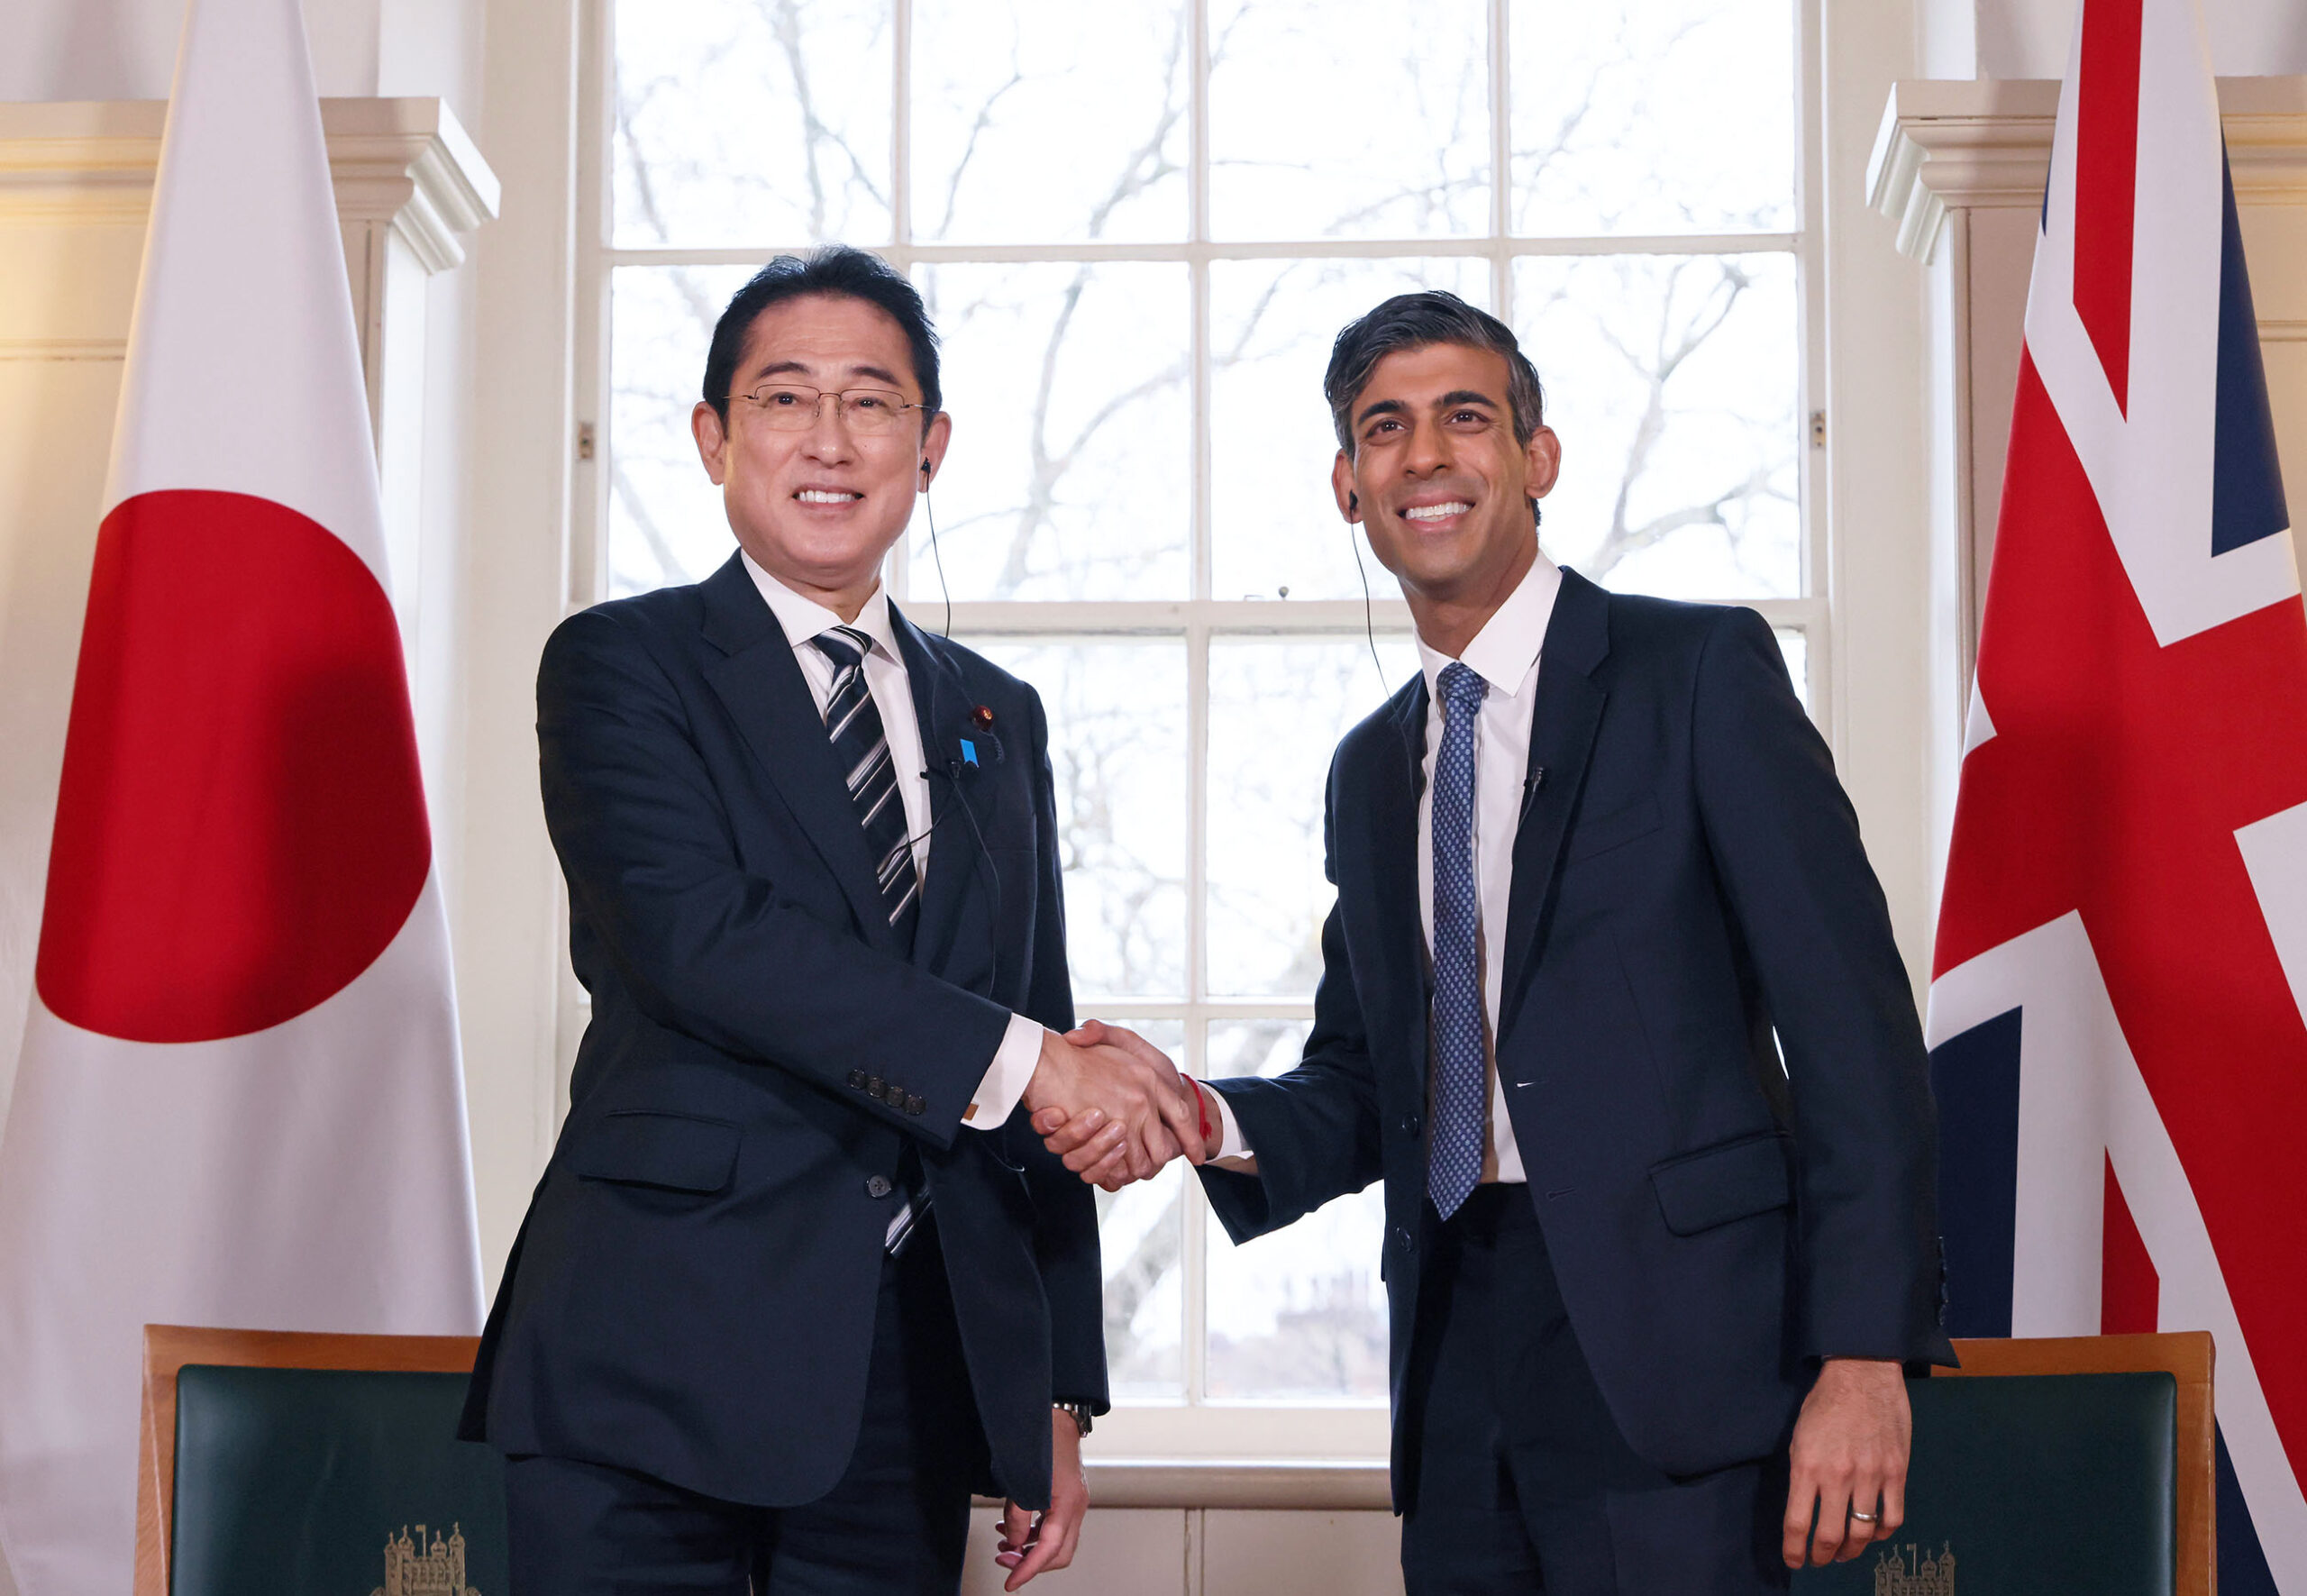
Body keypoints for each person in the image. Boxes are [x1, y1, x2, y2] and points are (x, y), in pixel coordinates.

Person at [1042, 290, 1953, 1594]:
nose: (1425, 456)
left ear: (1537, 458)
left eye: (1464, 418)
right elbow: (1366, 1085)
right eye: (1385, 429)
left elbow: (1852, 1030)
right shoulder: (1371, 771)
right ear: (1348, 488)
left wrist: (1863, 1358)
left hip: (1690, 1368)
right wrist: (1196, 1115)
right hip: (1457, 1371)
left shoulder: (1697, 673)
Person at [461, 245, 1204, 1596]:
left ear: (929, 447)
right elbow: (704, 943)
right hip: (647, 1359)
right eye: (785, 397)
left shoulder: (997, 715)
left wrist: (1051, 1391)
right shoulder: (622, 665)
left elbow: (1033, 1015)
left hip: (903, 1382)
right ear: (714, 438)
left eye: (870, 402)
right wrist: (1037, 1065)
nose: (828, 438)